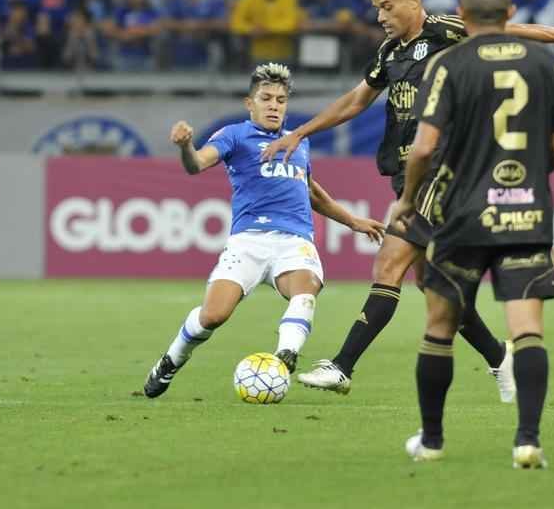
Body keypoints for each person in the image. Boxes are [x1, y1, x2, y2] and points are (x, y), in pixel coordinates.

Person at [261, 0, 554, 398]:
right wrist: (300, 132)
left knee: (390, 262)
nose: (380, 17)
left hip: (444, 173)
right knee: (434, 286)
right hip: (407, 172)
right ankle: (502, 361)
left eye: (386, 7)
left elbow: (510, 30)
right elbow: (355, 100)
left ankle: (341, 365)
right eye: (376, 9)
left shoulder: (446, 30)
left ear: (412, 0)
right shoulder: (390, 52)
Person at [393, 0, 554, 467]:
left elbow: (425, 147)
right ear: (512, 12)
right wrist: (529, 178)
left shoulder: (448, 64)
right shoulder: (545, 62)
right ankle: (527, 440)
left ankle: (431, 440)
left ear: (462, 17)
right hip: (527, 211)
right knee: (527, 328)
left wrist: (408, 199)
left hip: (462, 214)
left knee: (439, 326)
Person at [143, 63, 385, 398]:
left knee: (305, 291)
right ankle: (171, 360)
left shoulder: (297, 142)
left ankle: (285, 357)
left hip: (294, 241)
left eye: (281, 99)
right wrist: (185, 146)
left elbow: (311, 191)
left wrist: (353, 221)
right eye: (266, 98)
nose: (274, 105)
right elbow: (197, 164)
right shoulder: (235, 135)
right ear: (250, 103)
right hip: (248, 242)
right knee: (213, 316)